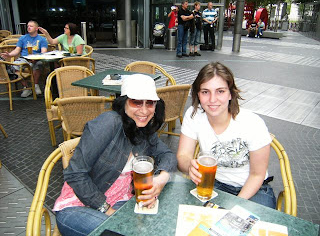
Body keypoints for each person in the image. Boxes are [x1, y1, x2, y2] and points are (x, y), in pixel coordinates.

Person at [53, 74, 177, 235]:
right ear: (123, 102)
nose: (144, 110)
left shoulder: (145, 130)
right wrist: (108, 211)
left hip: (120, 201)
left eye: (150, 103)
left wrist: (161, 179)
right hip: (78, 205)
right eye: (136, 102)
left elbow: (168, 155)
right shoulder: (108, 123)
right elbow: (75, 174)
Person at [177, 62, 276, 209]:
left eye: (220, 91)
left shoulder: (252, 123)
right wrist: (188, 166)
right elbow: (183, 156)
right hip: (212, 184)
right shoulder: (194, 115)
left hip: (253, 189)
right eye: (205, 92)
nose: (212, 99)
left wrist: (234, 206)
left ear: (231, 93)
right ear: (198, 94)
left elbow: (257, 175)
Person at [0, 20, 48, 97]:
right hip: (24, 58)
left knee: (39, 64)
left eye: (31, 26)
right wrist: (9, 55)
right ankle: (26, 87)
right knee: (13, 67)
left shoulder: (42, 39)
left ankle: (35, 85)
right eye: (28, 26)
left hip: (37, 58)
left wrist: (37, 58)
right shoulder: (23, 38)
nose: (28, 27)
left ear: (36, 28)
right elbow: (17, 50)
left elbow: (43, 52)